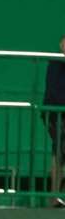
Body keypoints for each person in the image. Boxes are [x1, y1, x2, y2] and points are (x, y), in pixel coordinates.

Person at [43, 35, 65, 207]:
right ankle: (54, 196)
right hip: (56, 116)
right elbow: (55, 92)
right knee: (58, 154)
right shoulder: (55, 64)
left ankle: (57, 195)